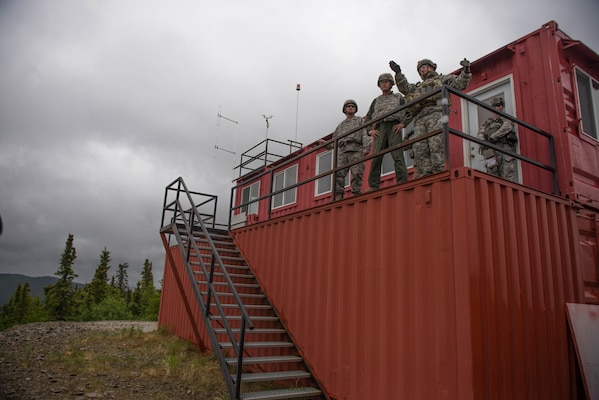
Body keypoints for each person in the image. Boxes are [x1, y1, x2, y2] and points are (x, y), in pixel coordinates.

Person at [389, 58, 472, 179]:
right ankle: (424, 176)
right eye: (420, 69)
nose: (422, 70)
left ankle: (439, 174)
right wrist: (398, 73)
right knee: (419, 148)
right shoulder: (417, 87)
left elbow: (460, 83)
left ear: (432, 67)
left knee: (435, 144)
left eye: (424, 67)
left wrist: (466, 70)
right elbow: (405, 89)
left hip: (436, 114)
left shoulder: (442, 79)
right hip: (420, 119)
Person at [363, 73, 412, 191]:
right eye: (381, 82)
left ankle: (402, 182)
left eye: (386, 81)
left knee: (397, 155)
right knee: (376, 158)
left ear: (391, 84)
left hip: (393, 126)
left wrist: (403, 123)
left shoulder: (398, 97)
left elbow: (409, 111)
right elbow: (368, 118)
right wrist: (370, 130)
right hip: (379, 129)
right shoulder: (376, 101)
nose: (384, 83)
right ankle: (373, 186)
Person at [324, 99, 371, 199]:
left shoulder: (359, 120)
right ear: (344, 109)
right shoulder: (340, 126)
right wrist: (325, 144)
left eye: (353, 106)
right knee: (338, 174)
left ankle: (356, 193)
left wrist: (366, 147)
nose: (350, 107)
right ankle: (339, 195)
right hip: (343, 151)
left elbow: (364, 134)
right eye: (348, 106)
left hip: (356, 149)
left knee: (357, 173)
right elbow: (334, 142)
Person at [477, 96, 517, 181]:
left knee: (507, 177)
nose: (501, 107)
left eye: (502, 105)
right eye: (498, 105)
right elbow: (480, 134)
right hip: (490, 151)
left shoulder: (506, 118)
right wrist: (484, 142)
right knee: (493, 178)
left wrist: (492, 137)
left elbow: (506, 127)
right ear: (493, 107)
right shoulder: (486, 122)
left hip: (504, 149)